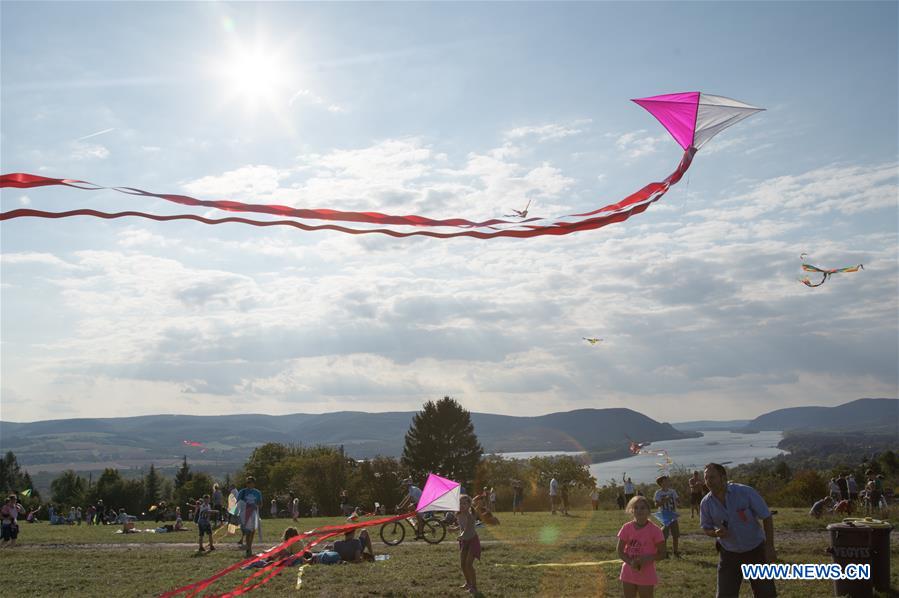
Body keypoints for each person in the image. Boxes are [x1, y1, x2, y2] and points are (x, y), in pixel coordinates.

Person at [700, 462, 776, 598]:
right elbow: (706, 527)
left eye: (712, 477)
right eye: (706, 478)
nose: (708, 482)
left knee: (766, 593)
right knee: (725, 595)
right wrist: (715, 533)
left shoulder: (745, 492)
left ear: (723, 477)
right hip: (729, 554)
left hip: (756, 551)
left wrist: (769, 546)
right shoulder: (706, 503)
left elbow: (766, 516)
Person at [617, 495, 666, 598]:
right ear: (632, 510)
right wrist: (630, 562)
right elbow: (620, 551)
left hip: (646, 574)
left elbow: (663, 553)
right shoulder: (626, 528)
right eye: (636, 507)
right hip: (628, 572)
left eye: (643, 507)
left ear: (648, 511)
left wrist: (647, 559)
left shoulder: (655, 530)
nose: (639, 510)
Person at [457, 494, 481, 595]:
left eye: (464, 503)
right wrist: (453, 529)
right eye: (460, 503)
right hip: (464, 541)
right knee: (462, 564)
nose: (462, 505)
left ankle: (474, 586)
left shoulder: (470, 516)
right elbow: (461, 527)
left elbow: (467, 529)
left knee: (468, 564)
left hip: (472, 541)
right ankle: (467, 583)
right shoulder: (458, 514)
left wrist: (461, 536)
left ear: (469, 505)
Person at [653, 475, 680, 558]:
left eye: (667, 480)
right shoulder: (658, 493)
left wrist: (678, 501)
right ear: (661, 483)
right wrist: (664, 500)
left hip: (673, 515)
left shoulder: (672, 491)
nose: (668, 482)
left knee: (676, 535)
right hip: (664, 516)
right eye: (665, 481)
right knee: (664, 536)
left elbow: (678, 499)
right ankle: (664, 553)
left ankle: (675, 552)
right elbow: (656, 504)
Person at [237, 476, 263, 558]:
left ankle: (249, 547)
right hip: (245, 513)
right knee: (248, 532)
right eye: (247, 482)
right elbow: (238, 503)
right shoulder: (242, 492)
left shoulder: (257, 492)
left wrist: (256, 505)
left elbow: (261, 504)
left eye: (250, 482)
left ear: (253, 483)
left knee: (252, 532)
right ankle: (248, 549)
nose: (248, 484)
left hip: (254, 513)